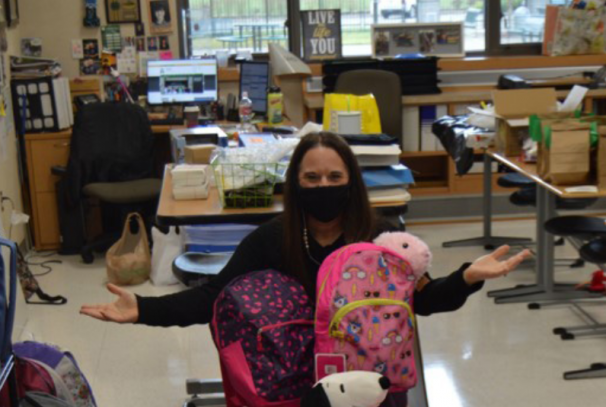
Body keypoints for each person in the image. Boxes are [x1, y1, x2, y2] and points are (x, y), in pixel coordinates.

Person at [80, 131, 530, 330]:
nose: (323, 186)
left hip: (368, 371)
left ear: (352, 180)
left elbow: (424, 300)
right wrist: (142, 308)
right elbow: (211, 299)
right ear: (296, 184)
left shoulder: (380, 236)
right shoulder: (273, 238)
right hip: (294, 371)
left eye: (334, 177)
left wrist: (468, 276)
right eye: (311, 179)